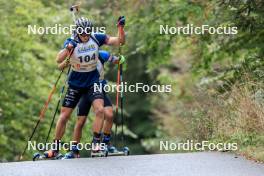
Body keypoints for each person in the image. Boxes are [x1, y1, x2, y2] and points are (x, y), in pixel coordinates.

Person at [44, 16, 126, 158]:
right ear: (77, 32)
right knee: (64, 116)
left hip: (92, 81)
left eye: (87, 33)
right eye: (82, 34)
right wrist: (68, 49)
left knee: (100, 110)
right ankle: (55, 148)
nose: (85, 36)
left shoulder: (96, 38)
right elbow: (58, 60)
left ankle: (96, 145)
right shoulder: (72, 41)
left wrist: (120, 29)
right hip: (75, 83)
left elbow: (120, 42)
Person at [63, 50, 125, 159]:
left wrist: (120, 59)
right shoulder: (79, 54)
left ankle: (105, 144)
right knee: (80, 121)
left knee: (109, 115)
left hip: (98, 89)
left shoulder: (102, 54)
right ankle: (74, 150)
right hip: (85, 90)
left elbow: (116, 60)